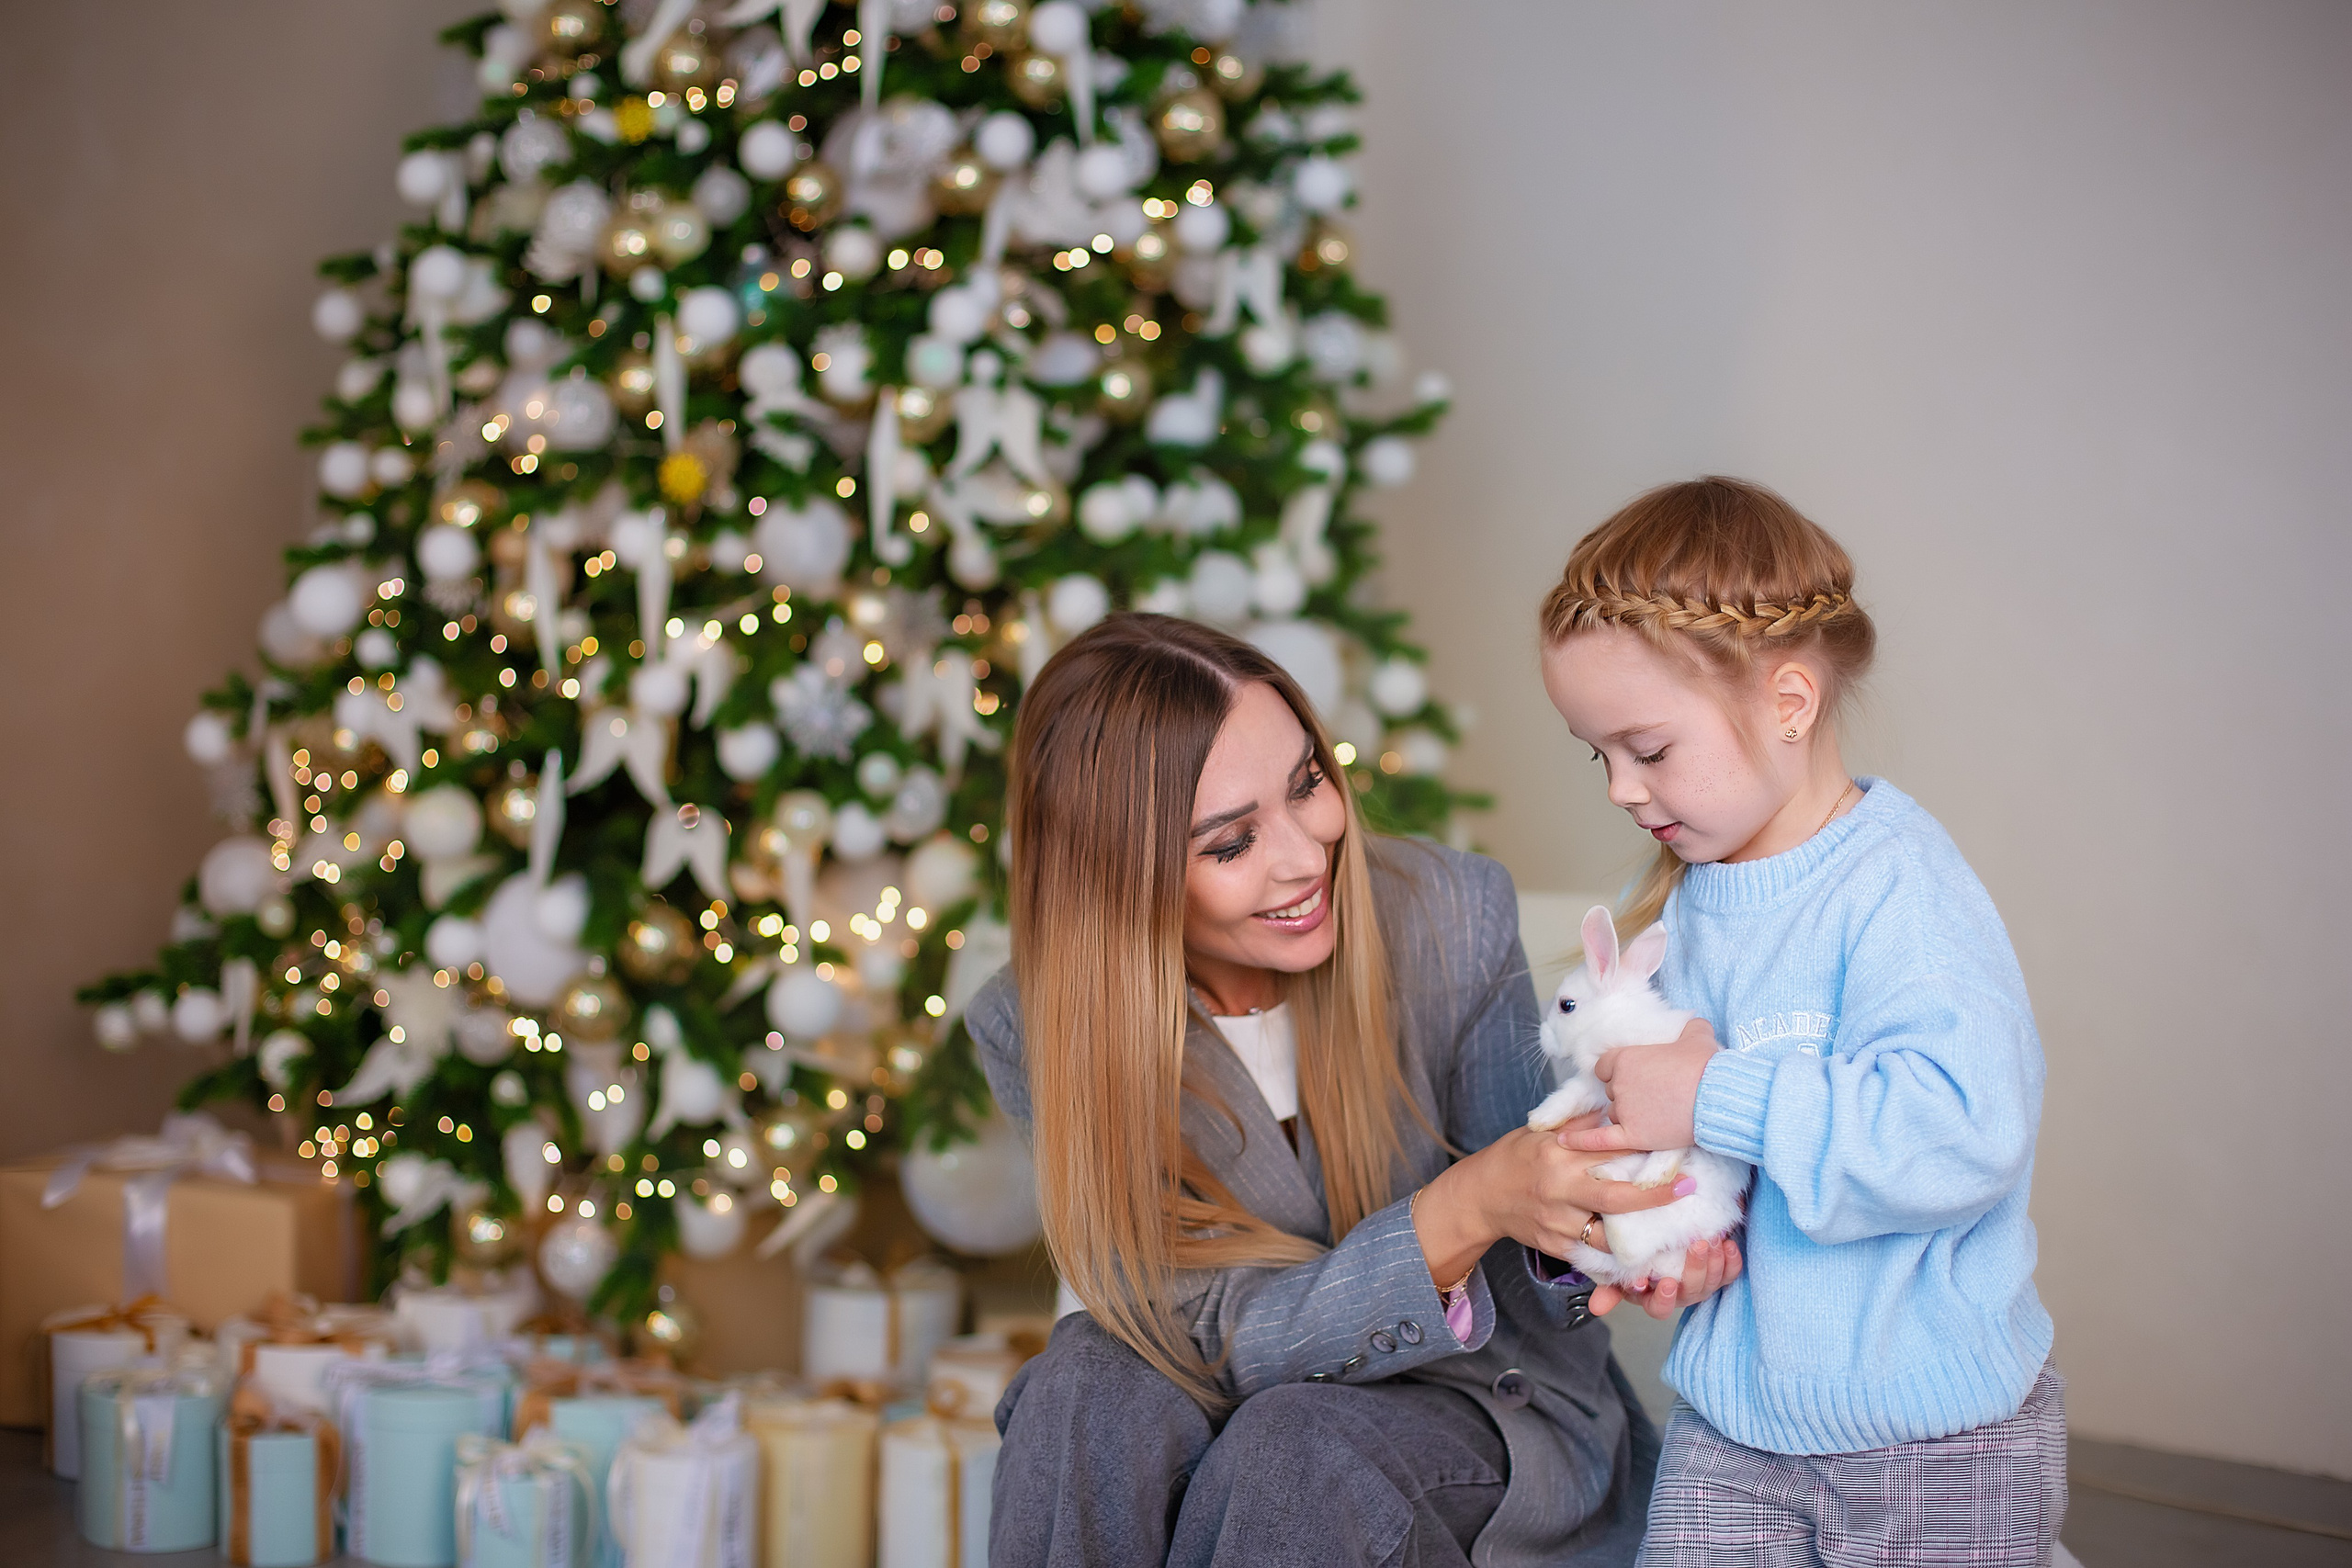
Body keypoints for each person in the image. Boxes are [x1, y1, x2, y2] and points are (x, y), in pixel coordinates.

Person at [970, 614, 1741, 1568]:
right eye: (1228, 843)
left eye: (1306, 785)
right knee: (1083, 1380)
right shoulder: (1037, 1020)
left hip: (1481, 1408)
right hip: (1230, 1398)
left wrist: (1617, 1239)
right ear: (1119, 881)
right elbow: (1193, 1333)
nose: (1306, 857)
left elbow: (1547, 1295)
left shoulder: (1451, 915)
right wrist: (1463, 1206)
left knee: (1296, 1452)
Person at [1538, 478, 2064, 1565]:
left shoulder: (1899, 891)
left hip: (1933, 1438)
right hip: (1736, 1426)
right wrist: (1683, 1239)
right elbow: (1727, 1161)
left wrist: (1714, 1091)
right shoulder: (1694, 904)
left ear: (1788, 702)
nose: (1620, 792)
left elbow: (1963, 1130)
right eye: (1599, 756)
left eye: (1649, 749)